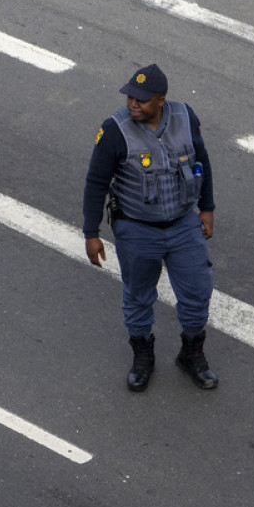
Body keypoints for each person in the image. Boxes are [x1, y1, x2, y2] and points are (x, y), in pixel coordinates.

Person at [82, 64, 219, 392]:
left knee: (198, 293)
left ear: (161, 100)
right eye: (131, 96)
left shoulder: (185, 118)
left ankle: (191, 353)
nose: (133, 104)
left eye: (142, 99)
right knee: (138, 296)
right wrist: (91, 232)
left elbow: (202, 161)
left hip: (184, 225)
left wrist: (207, 208)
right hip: (137, 230)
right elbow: (96, 181)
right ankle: (143, 354)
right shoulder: (114, 131)